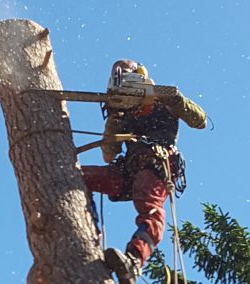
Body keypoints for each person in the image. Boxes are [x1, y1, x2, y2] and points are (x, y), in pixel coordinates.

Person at [82, 59, 207, 283]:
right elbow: (109, 155)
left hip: (156, 163)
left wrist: (176, 100)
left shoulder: (164, 102)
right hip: (128, 170)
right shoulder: (122, 114)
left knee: (149, 208)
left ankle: (134, 259)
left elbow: (200, 121)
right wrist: (114, 120)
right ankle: (87, 237)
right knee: (79, 177)